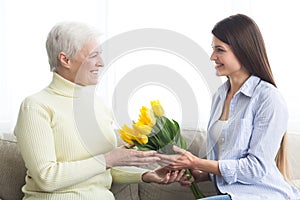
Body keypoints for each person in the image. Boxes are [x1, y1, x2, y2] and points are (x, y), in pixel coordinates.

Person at [14, 21, 180, 200]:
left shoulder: (98, 105)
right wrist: (109, 159)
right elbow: (47, 178)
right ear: (65, 60)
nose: (101, 63)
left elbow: (103, 167)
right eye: (93, 55)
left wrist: (146, 175)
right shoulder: (35, 106)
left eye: (100, 55)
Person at [157, 14, 300, 200]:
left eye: (220, 50)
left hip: (262, 195)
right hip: (230, 194)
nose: (212, 57)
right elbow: (228, 159)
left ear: (243, 50)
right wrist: (198, 173)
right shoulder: (220, 96)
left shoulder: (268, 98)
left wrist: (198, 162)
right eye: (213, 49)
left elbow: (255, 169)